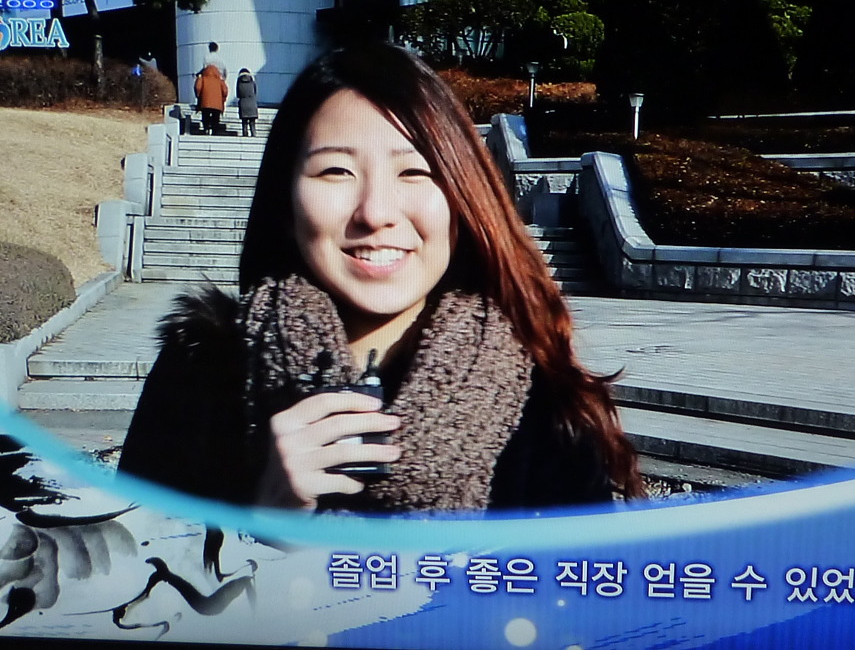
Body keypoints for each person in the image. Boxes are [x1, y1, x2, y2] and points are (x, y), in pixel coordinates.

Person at [118, 42, 642, 512]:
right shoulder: (202, 372)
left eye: (414, 172)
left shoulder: (543, 400)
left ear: (461, 197)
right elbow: (126, 577)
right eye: (335, 171)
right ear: (285, 200)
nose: (376, 213)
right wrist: (264, 522)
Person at [194, 64, 228, 136]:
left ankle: (206, 129)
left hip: (205, 102)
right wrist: (223, 99)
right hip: (217, 104)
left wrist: (198, 95)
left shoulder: (202, 78)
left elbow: (198, 87)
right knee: (215, 118)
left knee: (205, 116)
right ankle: (214, 131)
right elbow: (225, 91)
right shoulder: (220, 80)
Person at [236, 67, 259, 137]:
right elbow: (255, 92)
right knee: (252, 122)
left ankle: (245, 134)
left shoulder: (239, 82)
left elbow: (238, 94)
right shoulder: (252, 82)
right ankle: (253, 133)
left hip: (243, 104)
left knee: (244, 122)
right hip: (252, 104)